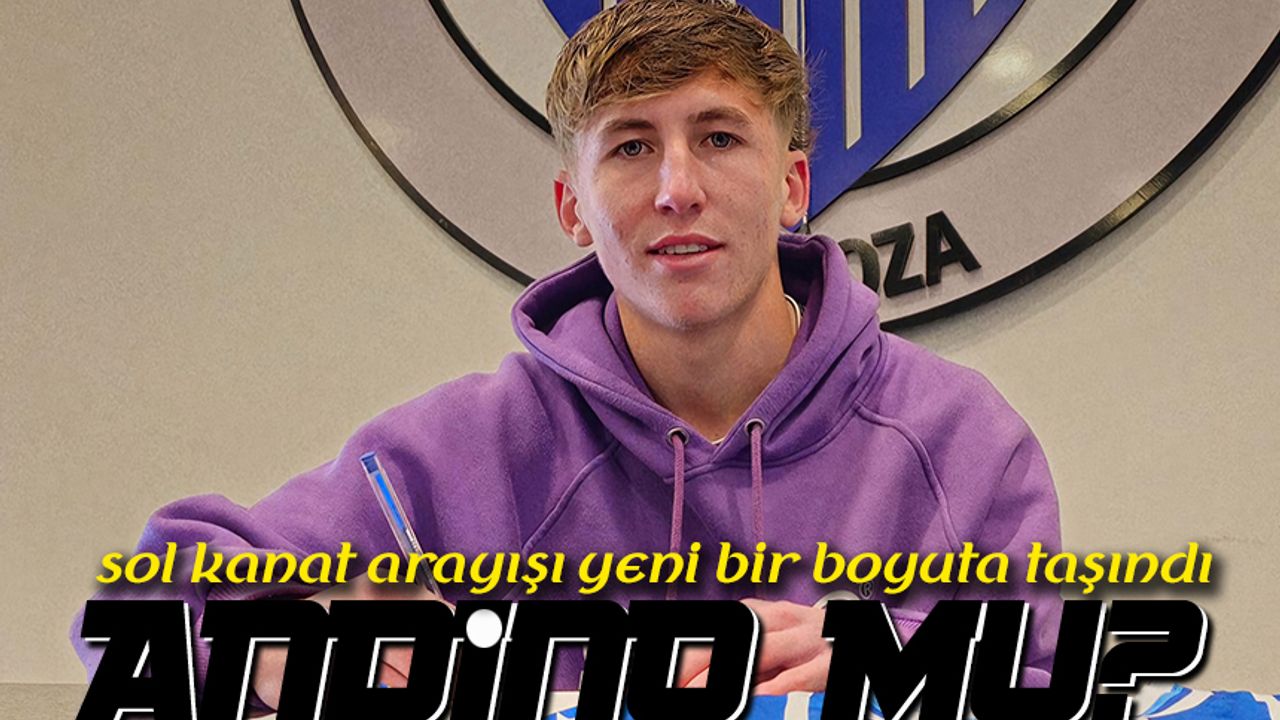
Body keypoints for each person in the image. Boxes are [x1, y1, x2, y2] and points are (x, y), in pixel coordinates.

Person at [73, 0, 1063, 708]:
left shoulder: (959, 439)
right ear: (571, 209)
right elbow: (139, 610)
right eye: (630, 147)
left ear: (793, 187)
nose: (676, 188)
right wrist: (312, 651)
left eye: (719, 138)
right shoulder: (470, 446)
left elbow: (1053, 677)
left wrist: (893, 670)